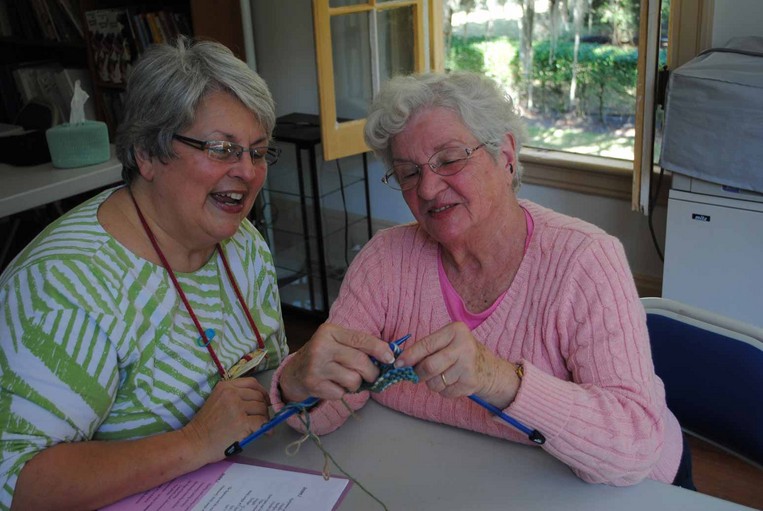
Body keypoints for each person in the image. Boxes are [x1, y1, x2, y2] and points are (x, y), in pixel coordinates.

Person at [271, 71, 694, 488]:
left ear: (505, 155)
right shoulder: (383, 261)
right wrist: (295, 382)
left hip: (628, 490)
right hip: (452, 480)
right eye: (408, 172)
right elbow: (329, 411)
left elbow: (633, 445)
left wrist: (499, 379)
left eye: (449, 159)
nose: (428, 188)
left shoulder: (585, 260)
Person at [0, 37, 289, 510]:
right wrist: (194, 442)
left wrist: (295, 381)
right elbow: (17, 483)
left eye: (258, 152)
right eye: (222, 149)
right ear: (147, 154)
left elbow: (263, 376)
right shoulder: (65, 285)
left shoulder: (244, 245)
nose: (249, 172)